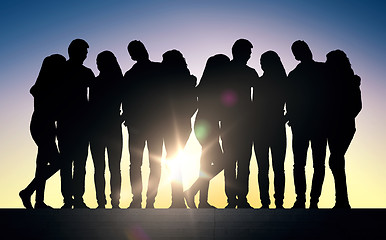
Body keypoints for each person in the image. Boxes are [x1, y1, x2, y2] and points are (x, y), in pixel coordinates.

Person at [19, 54, 66, 209]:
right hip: (43, 125)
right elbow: (51, 109)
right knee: (57, 162)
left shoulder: (45, 85)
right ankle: (28, 192)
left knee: (41, 163)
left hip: (43, 125)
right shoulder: (46, 86)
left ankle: (39, 201)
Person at [122, 40, 165, 208]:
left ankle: (139, 199)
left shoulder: (131, 74)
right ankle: (148, 200)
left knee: (137, 164)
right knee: (153, 164)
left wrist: (129, 119)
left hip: (139, 126)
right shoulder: (158, 70)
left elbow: (126, 100)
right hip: (153, 125)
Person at [184, 54, 230, 208]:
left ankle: (202, 201)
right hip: (207, 126)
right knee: (221, 161)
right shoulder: (214, 86)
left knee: (205, 164)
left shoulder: (204, 85)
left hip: (203, 125)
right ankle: (193, 190)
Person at [286, 40, 328, 208]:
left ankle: (307, 200)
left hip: (309, 125)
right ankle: (307, 200)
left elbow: (290, 100)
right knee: (311, 164)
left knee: (305, 164)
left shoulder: (296, 74)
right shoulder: (321, 70)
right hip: (312, 125)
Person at [57, 39, 95, 209]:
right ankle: (70, 199)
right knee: (71, 163)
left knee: (76, 163)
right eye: (84, 52)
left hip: (79, 123)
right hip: (70, 122)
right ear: (74, 51)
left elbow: (94, 96)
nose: (86, 55)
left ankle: (75, 199)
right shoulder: (63, 70)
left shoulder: (84, 72)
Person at [221, 39, 258, 208]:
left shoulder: (230, 71)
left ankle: (237, 199)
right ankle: (237, 199)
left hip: (238, 124)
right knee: (238, 163)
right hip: (236, 124)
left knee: (237, 163)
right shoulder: (248, 73)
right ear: (239, 52)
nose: (250, 55)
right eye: (248, 52)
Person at [325, 50, 362, 209]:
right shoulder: (334, 80)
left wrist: (344, 116)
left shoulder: (350, 81)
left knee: (335, 160)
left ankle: (342, 200)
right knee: (337, 161)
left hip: (344, 125)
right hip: (336, 126)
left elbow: (357, 106)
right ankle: (341, 200)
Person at [161, 50, 197, 208]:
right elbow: (194, 103)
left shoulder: (164, 79)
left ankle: (176, 198)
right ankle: (177, 197)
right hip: (182, 123)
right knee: (174, 158)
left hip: (170, 123)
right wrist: (186, 115)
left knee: (172, 158)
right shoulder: (187, 78)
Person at [253, 51, 287, 209]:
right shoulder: (282, 81)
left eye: (263, 61)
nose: (261, 64)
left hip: (261, 129)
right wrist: (286, 117)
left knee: (266, 168)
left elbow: (254, 107)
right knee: (276, 168)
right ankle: (274, 202)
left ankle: (267, 202)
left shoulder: (260, 83)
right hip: (274, 128)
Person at [89, 51, 123, 209]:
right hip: (112, 128)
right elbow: (126, 102)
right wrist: (122, 117)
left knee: (100, 168)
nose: (97, 64)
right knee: (114, 167)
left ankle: (102, 202)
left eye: (98, 61)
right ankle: (113, 202)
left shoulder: (95, 83)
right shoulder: (118, 81)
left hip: (97, 128)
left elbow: (90, 106)